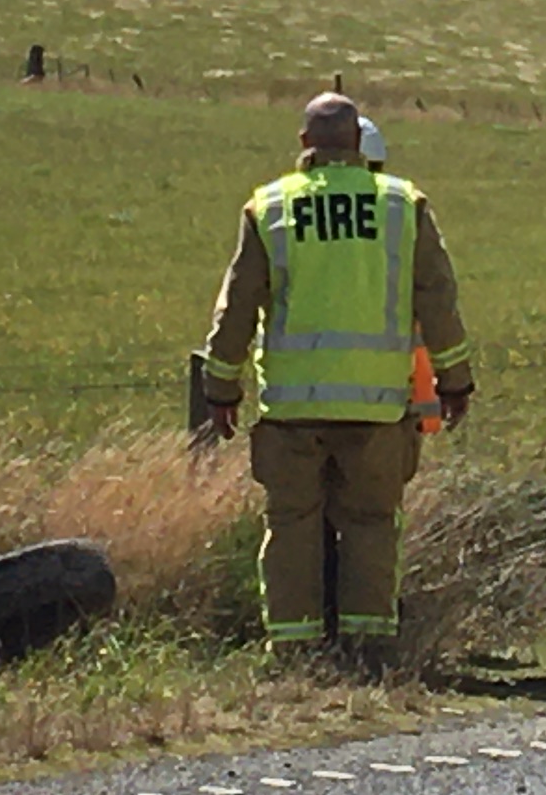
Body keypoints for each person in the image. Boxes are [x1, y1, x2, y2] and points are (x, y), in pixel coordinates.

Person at [194, 93, 476, 660]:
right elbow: (438, 300)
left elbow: (238, 307)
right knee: (371, 525)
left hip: (293, 410)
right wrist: (454, 379)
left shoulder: (270, 207)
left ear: (305, 144)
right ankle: (369, 649)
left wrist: (221, 388)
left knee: (293, 526)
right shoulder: (403, 205)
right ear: (359, 143)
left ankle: (296, 653)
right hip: (377, 407)